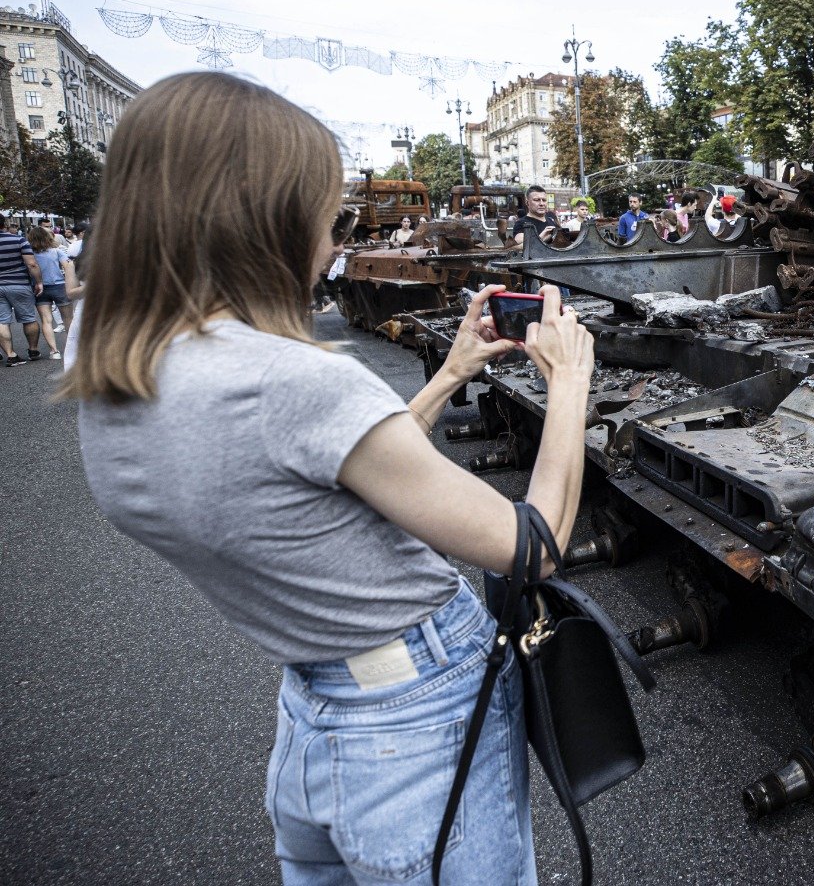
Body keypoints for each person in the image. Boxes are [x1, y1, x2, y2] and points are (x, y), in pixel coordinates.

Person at [67, 72, 596, 884]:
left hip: (317, 713)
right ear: (265, 220)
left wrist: (449, 373)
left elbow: (327, 475)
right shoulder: (291, 381)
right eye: (328, 217)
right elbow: (531, 548)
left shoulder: (113, 367)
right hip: (417, 710)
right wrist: (567, 387)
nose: (335, 241)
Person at [27, 225, 74, 359]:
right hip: (59, 285)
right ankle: (72, 349)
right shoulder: (57, 251)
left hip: (39, 288)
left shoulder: (29, 254)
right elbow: (68, 266)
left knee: (46, 320)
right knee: (68, 319)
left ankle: (54, 351)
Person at [0, 219, 43, 365]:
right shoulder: (19, 240)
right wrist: (38, 282)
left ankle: (11, 355)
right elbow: (31, 264)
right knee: (29, 318)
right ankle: (33, 350)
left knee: (1, 321)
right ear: (4, 224)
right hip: (19, 284)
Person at [508, 185, 559, 251]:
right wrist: (540, 238)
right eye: (536, 200)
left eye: (544, 200)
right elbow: (517, 247)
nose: (541, 203)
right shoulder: (522, 223)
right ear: (527, 202)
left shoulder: (551, 221)